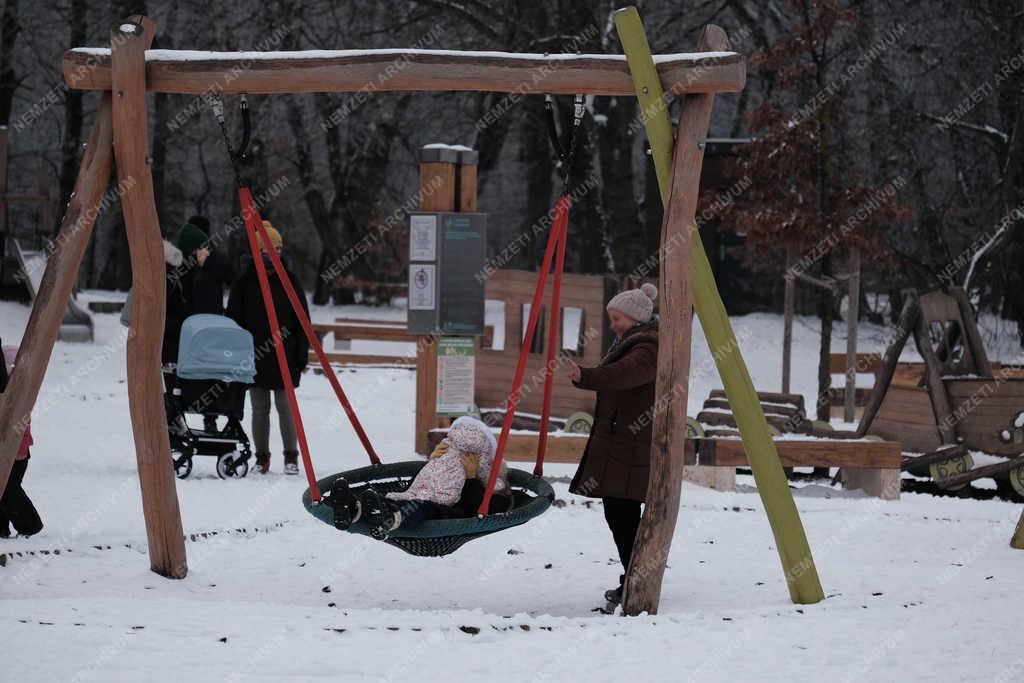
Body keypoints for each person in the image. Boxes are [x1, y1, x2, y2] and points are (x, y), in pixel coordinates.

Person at [564, 282, 659, 608]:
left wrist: (586, 377)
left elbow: (623, 375)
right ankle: (632, 578)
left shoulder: (646, 348)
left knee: (623, 516)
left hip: (630, 447)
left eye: (617, 318)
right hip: (625, 445)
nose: (613, 324)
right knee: (622, 515)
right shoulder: (637, 343)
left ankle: (635, 581)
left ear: (634, 318)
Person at [330, 416, 511, 539]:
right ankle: (354, 509)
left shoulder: (494, 495)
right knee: (390, 500)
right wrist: (436, 462)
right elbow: (426, 482)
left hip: (447, 514)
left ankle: (388, 518)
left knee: (417, 508)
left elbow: (476, 507)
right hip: (426, 499)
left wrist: (472, 477)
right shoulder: (459, 461)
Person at [226, 220, 309, 475]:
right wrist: (236, 356)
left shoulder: (289, 280)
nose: (273, 255)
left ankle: (291, 456)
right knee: (259, 408)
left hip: (285, 354)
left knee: (286, 407)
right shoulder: (245, 283)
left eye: (278, 249)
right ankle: (262, 457)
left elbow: (301, 319)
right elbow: (233, 322)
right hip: (254, 357)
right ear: (257, 253)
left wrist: (301, 354)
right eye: (267, 250)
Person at [0, 344, 43, 538]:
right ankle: (2, 528)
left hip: (18, 453)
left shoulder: (18, 398)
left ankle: (30, 525)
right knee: (3, 489)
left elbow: (23, 427)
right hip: (8, 449)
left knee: (10, 490)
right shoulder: (6, 397)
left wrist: (21, 449)